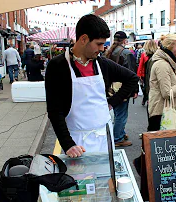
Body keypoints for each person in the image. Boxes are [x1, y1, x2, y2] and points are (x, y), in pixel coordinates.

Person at [45, 14, 139, 158]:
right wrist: (68, 144)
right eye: (99, 44)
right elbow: (54, 110)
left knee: (107, 178)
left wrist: (112, 102)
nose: (102, 48)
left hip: (104, 136)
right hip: (77, 140)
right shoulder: (58, 66)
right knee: (81, 179)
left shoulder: (102, 64)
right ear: (83, 39)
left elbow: (132, 78)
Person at [148, 34, 176, 131]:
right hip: (160, 112)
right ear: (170, 47)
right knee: (159, 143)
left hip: (164, 111)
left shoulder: (167, 62)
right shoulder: (162, 65)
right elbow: (167, 93)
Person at [105, 31, 137, 147]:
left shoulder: (109, 51)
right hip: (123, 87)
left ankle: (120, 133)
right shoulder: (126, 53)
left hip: (111, 88)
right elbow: (132, 73)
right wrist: (135, 90)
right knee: (121, 115)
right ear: (125, 40)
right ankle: (118, 138)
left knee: (118, 113)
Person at [137, 39, 158, 106]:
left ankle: (147, 98)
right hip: (155, 74)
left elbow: (140, 65)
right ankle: (150, 99)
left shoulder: (144, 54)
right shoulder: (157, 54)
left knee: (147, 87)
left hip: (145, 75)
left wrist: (138, 75)